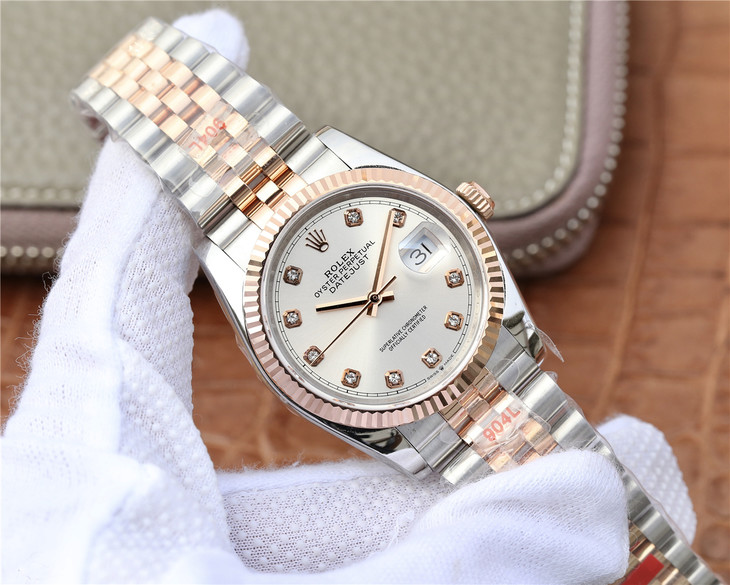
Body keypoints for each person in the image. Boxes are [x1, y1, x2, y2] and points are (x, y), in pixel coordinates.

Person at [1, 10, 697, 584]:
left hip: (475, 357)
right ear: (280, 359)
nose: (372, 301)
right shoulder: (255, 282)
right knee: (594, 516)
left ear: (461, 213)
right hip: (425, 400)